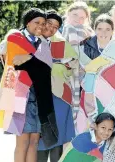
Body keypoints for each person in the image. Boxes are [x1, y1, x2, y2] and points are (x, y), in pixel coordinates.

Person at [0, 8, 58, 162]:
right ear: (28, 23)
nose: (41, 26)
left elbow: (45, 70)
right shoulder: (15, 37)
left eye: (43, 23)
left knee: (34, 141)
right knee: (22, 142)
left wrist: (29, 59)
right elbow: (16, 64)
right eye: (37, 22)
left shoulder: (43, 43)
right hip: (20, 95)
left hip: (39, 97)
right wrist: (36, 63)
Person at [36, 10, 77, 162]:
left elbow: (73, 63)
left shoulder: (60, 42)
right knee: (39, 134)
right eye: (49, 23)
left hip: (59, 95)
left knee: (57, 134)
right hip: (38, 95)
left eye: (56, 26)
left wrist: (56, 64)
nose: (52, 28)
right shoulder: (31, 40)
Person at [77, 14, 115, 133]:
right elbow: (80, 71)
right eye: (100, 29)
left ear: (112, 31)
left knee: (107, 126)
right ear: (95, 30)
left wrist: (94, 71)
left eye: (107, 29)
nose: (103, 32)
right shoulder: (84, 46)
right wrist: (89, 90)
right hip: (87, 92)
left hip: (111, 93)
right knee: (87, 127)